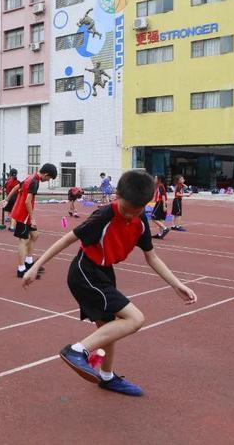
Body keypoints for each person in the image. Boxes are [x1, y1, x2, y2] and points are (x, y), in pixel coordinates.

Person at [21, 169, 197, 396]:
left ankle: (106, 377)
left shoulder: (140, 219)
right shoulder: (103, 215)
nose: (129, 217)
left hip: (104, 273)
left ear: (145, 206)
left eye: (136, 212)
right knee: (135, 318)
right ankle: (76, 351)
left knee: (108, 329)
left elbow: (151, 256)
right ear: (117, 197)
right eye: (125, 210)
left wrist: (176, 284)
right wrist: (35, 266)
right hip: (85, 273)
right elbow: (68, 238)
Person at [1, 163, 58, 278]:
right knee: (23, 240)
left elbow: (17, 187)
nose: (48, 181)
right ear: (46, 174)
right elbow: (27, 201)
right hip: (23, 214)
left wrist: (7, 199)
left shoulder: (31, 177)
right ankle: (21, 269)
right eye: (49, 178)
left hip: (23, 213)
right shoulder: (35, 182)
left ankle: (29, 261)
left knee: (35, 235)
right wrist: (32, 218)